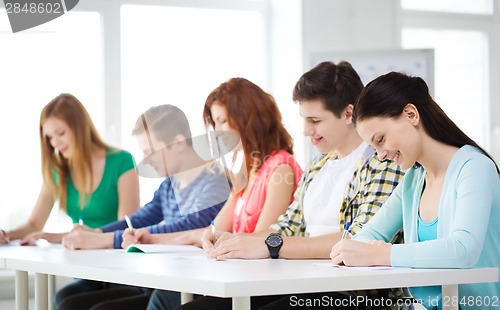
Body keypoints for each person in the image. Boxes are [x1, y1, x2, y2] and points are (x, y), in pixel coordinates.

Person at [178, 62, 405, 310]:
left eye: (315, 120)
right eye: (304, 120)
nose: (307, 131)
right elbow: (285, 227)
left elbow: (360, 241)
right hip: (304, 286)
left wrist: (271, 245)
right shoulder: (317, 167)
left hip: (356, 296)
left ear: (349, 113)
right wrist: (236, 242)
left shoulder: (383, 161)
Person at [122, 78, 303, 310]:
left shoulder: (280, 168)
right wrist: (151, 239)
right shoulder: (244, 172)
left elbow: (262, 240)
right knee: (165, 296)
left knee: (168, 300)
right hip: (237, 277)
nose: (217, 132)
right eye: (214, 124)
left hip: (261, 285)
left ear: (249, 117)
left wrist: (217, 238)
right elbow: (214, 231)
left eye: (222, 121)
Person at [330, 71, 500, 310]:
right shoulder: (414, 180)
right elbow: (368, 236)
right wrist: (352, 249)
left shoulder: (475, 168)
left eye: (381, 139)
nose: (381, 155)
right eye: (373, 147)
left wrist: (381, 254)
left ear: (411, 114)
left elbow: (463, 250)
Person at [54, 104, 231, 310]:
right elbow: (141, 218)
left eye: (150, 151)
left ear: (178, 143)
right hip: (168, 281)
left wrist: (106, 239)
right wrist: (98, 232)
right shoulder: (169, 185)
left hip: (197, 286)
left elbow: (190, 226)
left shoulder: (215, 181)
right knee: (71, 301)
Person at [0, 93, 140, 244]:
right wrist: (7, 234)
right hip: (76, 255)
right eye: (49, 137)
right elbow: (34, 224)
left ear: (80, 127)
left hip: (114, 257)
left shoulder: (122, 161)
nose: (55, 143)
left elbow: (126, 230)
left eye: (60, 133)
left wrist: (54, 237)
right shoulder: (57, 170)